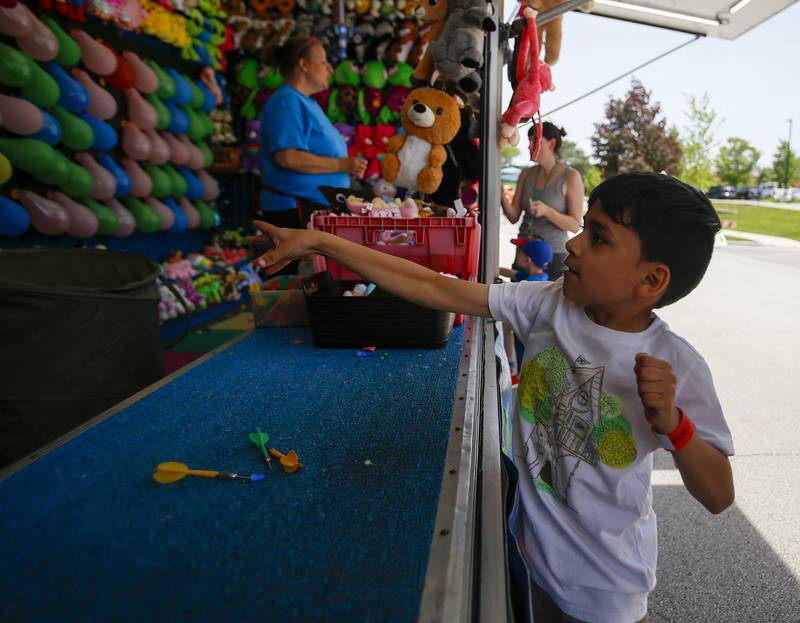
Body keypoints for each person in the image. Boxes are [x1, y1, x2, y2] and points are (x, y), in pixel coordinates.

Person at [252, 172, 735, 623]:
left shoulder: (676, 364)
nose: (574, 243)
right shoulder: (549, 303)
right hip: (528, 563)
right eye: (585, 227)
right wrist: (321, 242)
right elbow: (431, 286)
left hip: (604, 592)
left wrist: (676, 424)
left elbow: (717, 495)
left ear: (651, 280)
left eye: (599, 237)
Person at [259, 36, 368, 229]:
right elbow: (288, 158)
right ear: (304, 65)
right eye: (323, 61)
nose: (330, 69)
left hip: (312, 209)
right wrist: (341, 164)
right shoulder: (287, 101)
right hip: (295, 211)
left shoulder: (305, 102)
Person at [502, 122, 584, 280]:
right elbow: (513, 217)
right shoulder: (526, 174)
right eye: (529, 141)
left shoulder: (570, 176)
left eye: (534, 141)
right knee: (516, 303)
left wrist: (547, 211)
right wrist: (498, 192)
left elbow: (574, 225)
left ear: (551, 143)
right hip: (524, 255)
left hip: (553, 257)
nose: (529, 146)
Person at [499, 237, 553, 377]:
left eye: (519, 253)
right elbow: (511, 273)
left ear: (527, 260)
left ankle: (512, 370)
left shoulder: (528, 286)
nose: (517, 255)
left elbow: (508, 327)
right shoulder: (540, 277)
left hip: (525, 345)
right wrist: (495, 269)